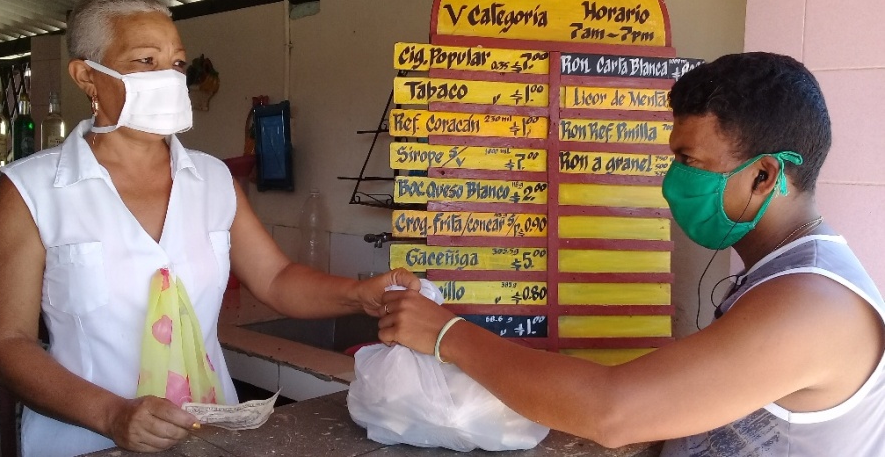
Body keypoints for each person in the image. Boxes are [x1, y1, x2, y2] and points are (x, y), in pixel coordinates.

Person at [379, 52, 885, 456]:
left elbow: (612, 411)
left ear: (764, 175)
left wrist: (446, 334)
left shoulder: (812, 304)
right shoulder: (781, 279)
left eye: (689, 161)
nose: (672, 181)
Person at [0, 0, 418, 456]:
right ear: (87, 76)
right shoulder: (30, 189)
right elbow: (6, 341)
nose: (168, 78)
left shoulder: (213, 179)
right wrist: (110, 414)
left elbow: (275, 279)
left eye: (175, 63)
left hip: (208, 439)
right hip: (83, 442)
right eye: (145, 61)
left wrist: (358, 295)